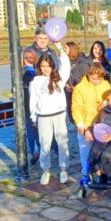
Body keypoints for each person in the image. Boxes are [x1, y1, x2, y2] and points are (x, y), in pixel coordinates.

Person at [29, 42, 70, 185]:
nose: (46, 69)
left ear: (53, 66)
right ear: (40, 67)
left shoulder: (59, 79)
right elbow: (33, 100)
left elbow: (66, 67)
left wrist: (60, 49)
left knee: (62, 143)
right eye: (43, 66)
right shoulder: (35, 82)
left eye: (49, 65)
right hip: (44, 117)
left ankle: (64, 169)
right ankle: (46, 171)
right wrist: (34, 117)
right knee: (45, 145)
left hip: (59, 115)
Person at [72, 63, 111, 180]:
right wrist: (80, 124)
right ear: (89, 75)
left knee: (100, 150)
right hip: (86, 124)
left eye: (99, 79)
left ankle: (100, 173)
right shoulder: (80, 88)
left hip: (101, 123)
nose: (96, 81)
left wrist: (104, 103)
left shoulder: (105, 85)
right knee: (85, 149)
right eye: (93, 78)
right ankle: (86, 173)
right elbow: (76, 107)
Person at [15, 49, 40, 182]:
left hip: (39, 106)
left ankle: (41, 151)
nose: (29, 59)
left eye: (31, 57)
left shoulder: (38, 71)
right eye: (26, 57)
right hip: (27, 107)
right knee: (31, 132)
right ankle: (34, 152)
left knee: (39, 130)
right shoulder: (20, 73)